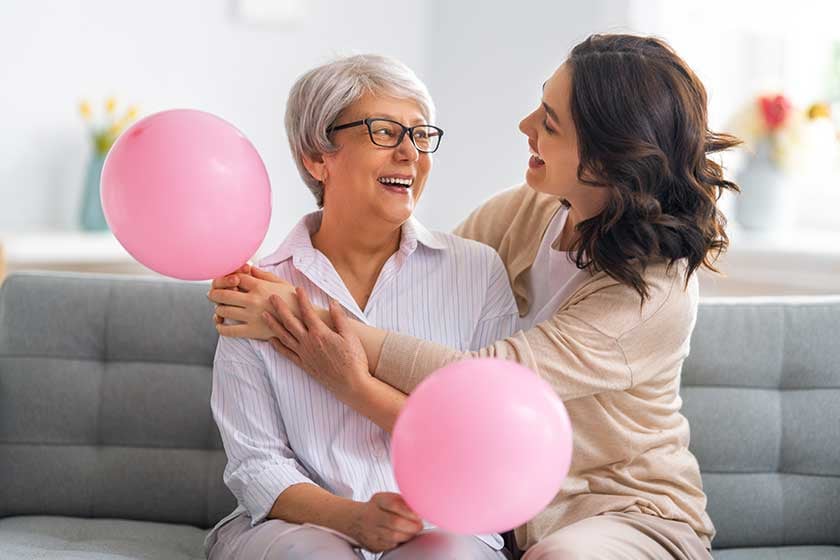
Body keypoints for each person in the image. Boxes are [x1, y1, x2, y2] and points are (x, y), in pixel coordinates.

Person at [210, 34, 741, 559]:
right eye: (385, 132)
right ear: (316, 155)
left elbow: (485, 387)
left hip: (619, 511)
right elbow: (424, 268)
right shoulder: (525, 214)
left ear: (604, 159)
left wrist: (302, 325)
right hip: (518, 514)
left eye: (549, 122)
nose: (525, 126)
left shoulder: (649, 294)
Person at [204, 54, 517, 560]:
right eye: (385, 132)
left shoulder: (477, 273)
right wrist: (352, 519)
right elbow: (256, 464)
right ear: (316, 156)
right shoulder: (257, 287)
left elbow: (491, 444)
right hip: (298, 525)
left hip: (445, 527)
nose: (410, 153)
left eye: (420, 135)